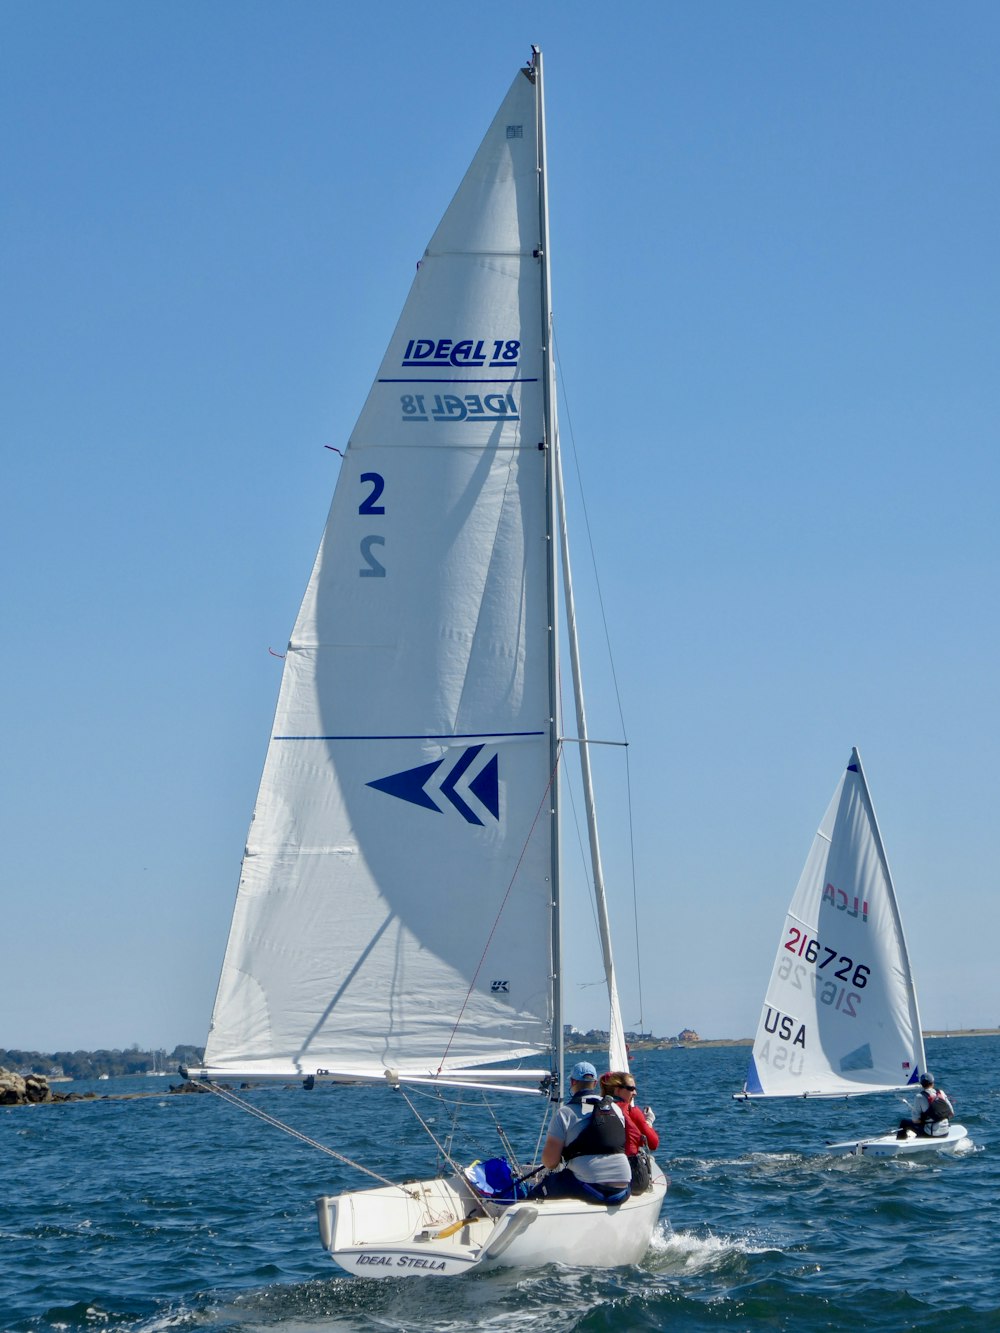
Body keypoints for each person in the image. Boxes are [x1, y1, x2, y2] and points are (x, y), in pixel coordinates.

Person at [527, 1060, 631, 1203]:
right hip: (623, 1190)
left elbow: (550, 1162)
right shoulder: (615, 1109)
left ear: (572, 1082)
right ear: (595, 1084)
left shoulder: (565, 1113)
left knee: (538, 1191)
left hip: (592, 1189)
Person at [601, 1070, 659, 1192]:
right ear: (617, 1090)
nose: (635, 1093)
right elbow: (653, 1143)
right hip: (633, 1177)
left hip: (602, 1173)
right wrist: (648, 1121)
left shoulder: (597, 1109)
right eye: (631, 1089)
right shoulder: (632, 1111)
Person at [897, 1072, 954, 1138]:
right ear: (933, 1082)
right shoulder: (941, 1092)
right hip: (945, 1132)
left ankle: (901, 1144)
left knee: (904, 1122)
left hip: (931, 1134)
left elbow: (915, 1120)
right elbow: (951, 1113)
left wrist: (924, 1119)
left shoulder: (919, 1096)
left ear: (921, 1084)